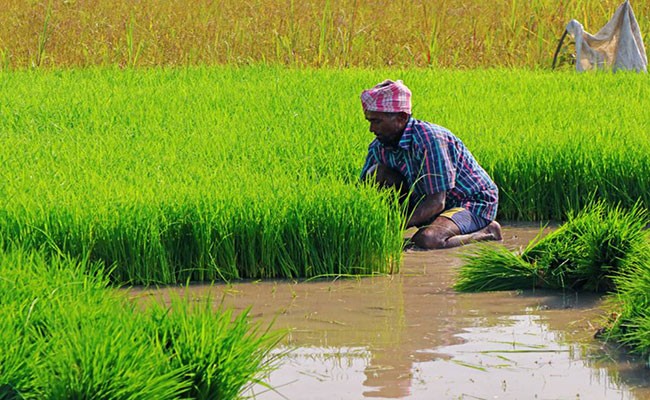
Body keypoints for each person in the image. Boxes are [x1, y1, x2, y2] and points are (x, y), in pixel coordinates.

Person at [359, 79, 502, 249]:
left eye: (377, 121)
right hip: (427, 200)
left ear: (402, 117)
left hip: (469, 203)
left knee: (427, 240)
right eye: (370, 121)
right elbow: (361, 191)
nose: (372, 129)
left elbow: (437, 202)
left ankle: (486, 232)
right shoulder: (379, 146)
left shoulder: (430, 139)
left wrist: (395, 226)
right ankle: (431, 229)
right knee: (377, 173)